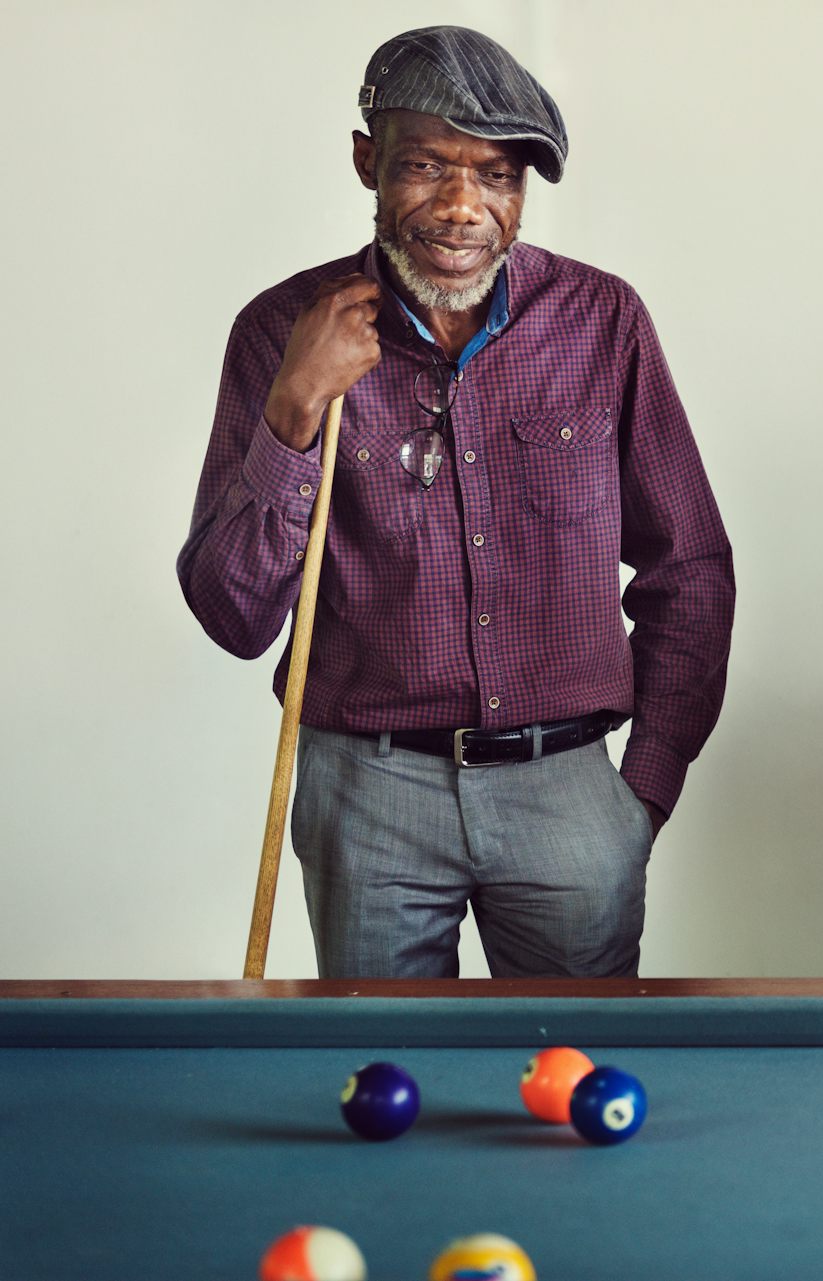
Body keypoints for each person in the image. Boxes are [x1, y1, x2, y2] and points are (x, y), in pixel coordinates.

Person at [177, 27, 734, 978]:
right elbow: (233, 615)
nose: (463, 207)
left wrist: (643, 788)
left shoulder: (603, 321)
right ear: (367, 161)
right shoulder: (281, 330)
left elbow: (691, 566)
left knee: (570, 1090)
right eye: (427, 165)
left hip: (568, 793)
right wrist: (296, 407)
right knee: (390, 1087)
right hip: (367, 793)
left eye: (500, 175)